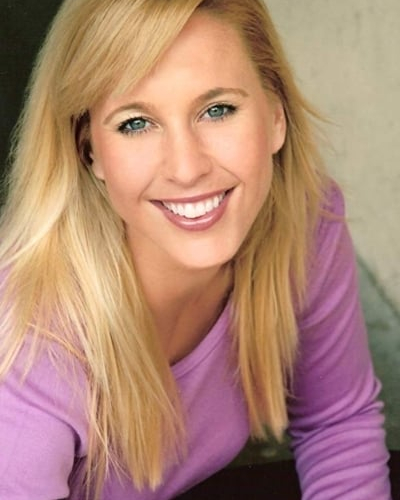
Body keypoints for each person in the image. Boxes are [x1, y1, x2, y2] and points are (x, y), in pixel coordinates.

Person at [0, 0, 391, 499]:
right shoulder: (29, 341)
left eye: (217, 110)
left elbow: (336, 424)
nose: (186, 169)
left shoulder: (302, 223)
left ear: (276, 116)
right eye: (136, 123)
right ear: (89, 150)